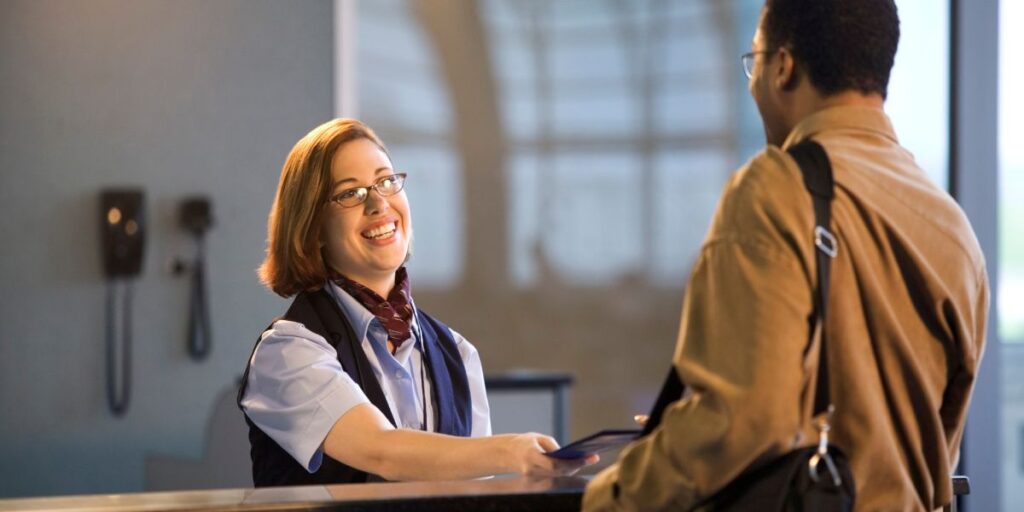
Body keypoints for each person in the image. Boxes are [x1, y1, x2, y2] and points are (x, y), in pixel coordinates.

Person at [583, 1, 988, 511]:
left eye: (753, 60)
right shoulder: (952, 228)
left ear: (783, 66)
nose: (752, 81)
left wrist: (613, 496)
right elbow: (937, 444)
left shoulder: (777, 188)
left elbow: (744, 419)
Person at [238, 118, 596, 486]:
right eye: (351, 193)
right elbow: (381, 451)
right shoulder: (287, 353)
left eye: (386, 181)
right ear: (313, 228)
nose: (379, 203)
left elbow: (473, 497)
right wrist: (511, 452)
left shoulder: (458, 352)